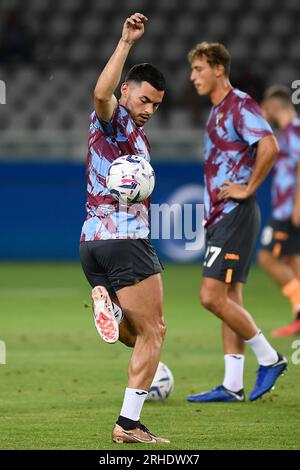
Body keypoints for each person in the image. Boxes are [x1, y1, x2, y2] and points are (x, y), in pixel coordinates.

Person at [79, 13, 169, 443]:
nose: (149, 109)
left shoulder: (136, 136)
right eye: (145, 99)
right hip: (125, 239)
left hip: (91, 242)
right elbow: (99, 93)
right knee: (157, 331)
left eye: (156, 104)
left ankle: (111, 309)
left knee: (133, 332)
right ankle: (128, 425)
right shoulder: (115, 120)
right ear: (127, 91)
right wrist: (126, 43)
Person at [186, 42, 287, 403]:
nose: (193, 76)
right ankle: (232, 384)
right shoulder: (217, 112)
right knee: (230, 298)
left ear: (217, 68)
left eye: (198, 69)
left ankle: (270, 358)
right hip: (221, 217)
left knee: (210, 297)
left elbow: (270, 145)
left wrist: (248, 188)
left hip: (235, 215)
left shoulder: (239, 104)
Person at [258, 85, 300, 337]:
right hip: (285, 207)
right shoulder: (287, 132)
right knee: (292, 259)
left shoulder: (294, 129)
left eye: (265, 107)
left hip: (288, 210)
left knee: (266, 257)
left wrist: (297, 205)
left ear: (274, 106)